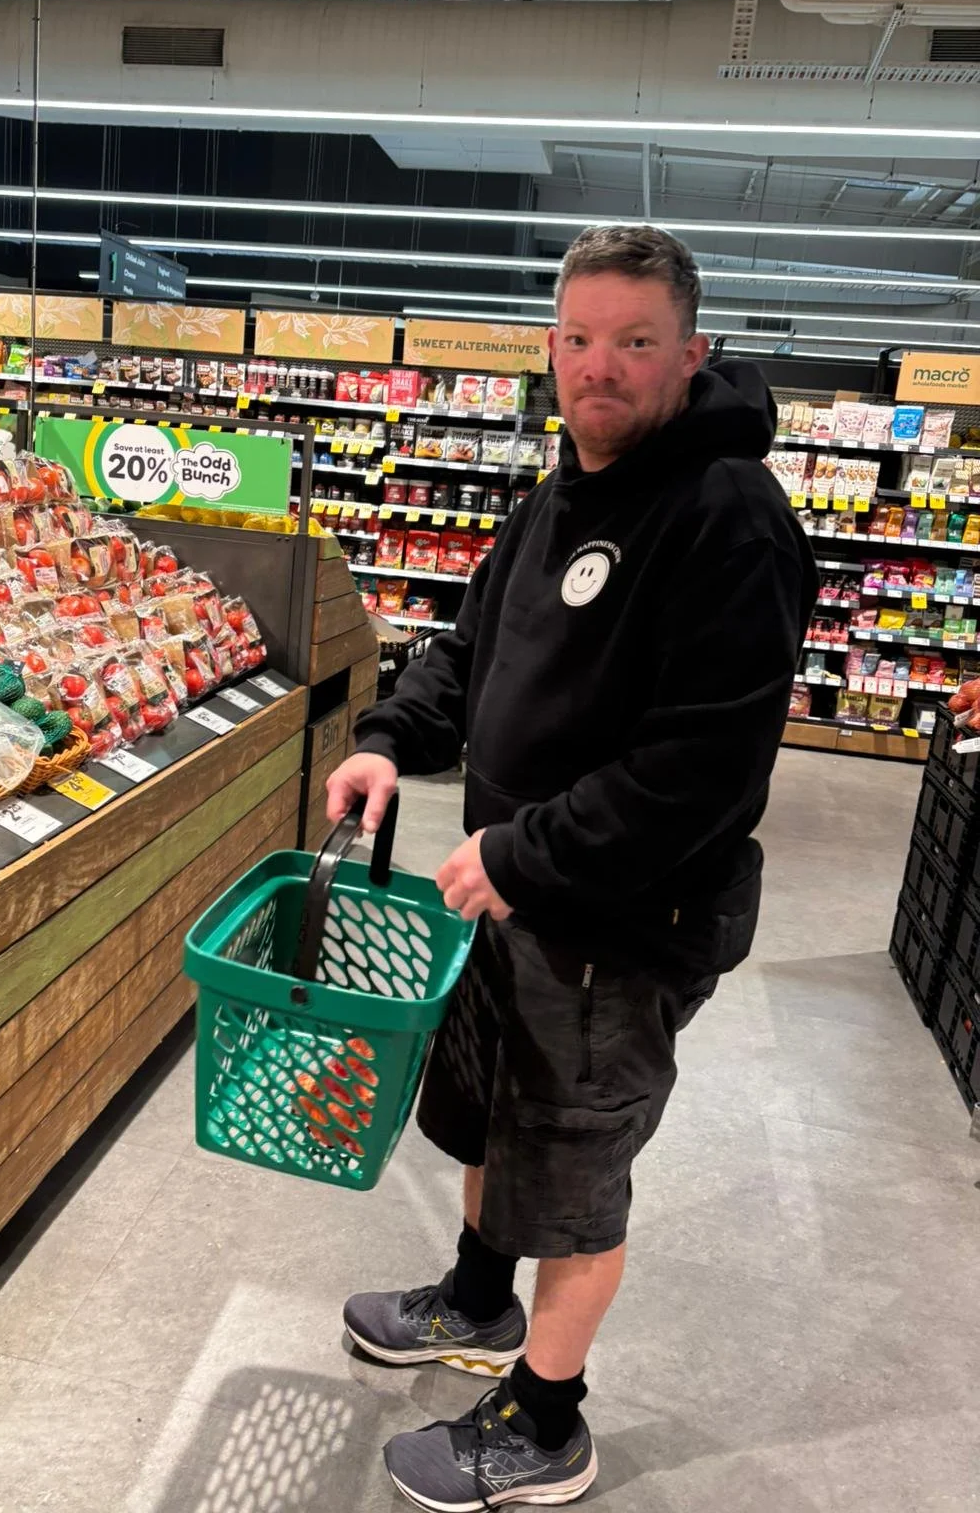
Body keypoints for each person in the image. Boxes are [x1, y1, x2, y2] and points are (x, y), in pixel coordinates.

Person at [326, 224, 817, 1512]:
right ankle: (478, 1305)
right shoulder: (557, 491)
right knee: (492, 1117)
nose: (600, 368)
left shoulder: (730, 519)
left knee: (574, 1170)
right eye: (580, 339)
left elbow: (696, 775)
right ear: (550, 347)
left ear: (691, 353)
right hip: (515, 895)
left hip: (623, 922)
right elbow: (471, 647)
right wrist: (391, 738)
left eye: (635, 343)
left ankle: (549, 1424)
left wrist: (518, 849)